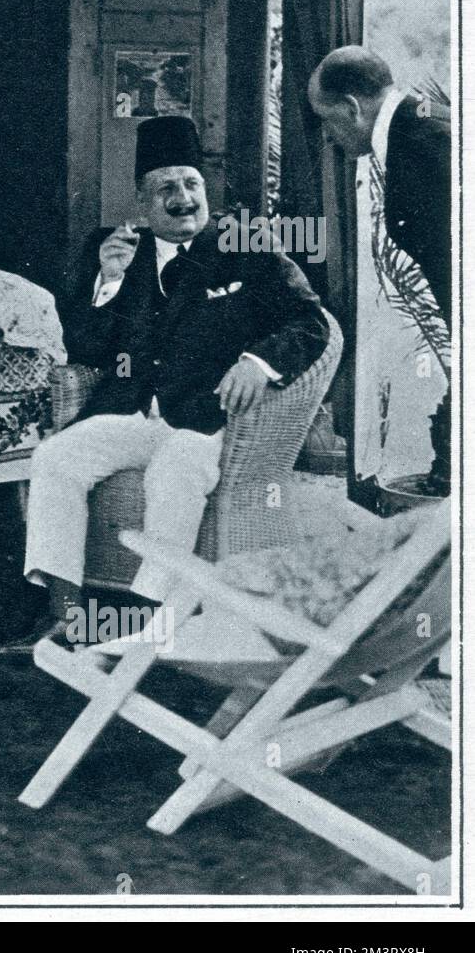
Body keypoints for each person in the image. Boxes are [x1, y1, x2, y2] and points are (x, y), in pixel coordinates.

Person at [21, 115, 330, 637]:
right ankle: (67, 618)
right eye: (166, 188)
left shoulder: (245, 244)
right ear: (142, 204)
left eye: (191, 184)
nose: (183, 197)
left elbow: (311, 321)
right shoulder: (116, 248)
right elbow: (85, 347)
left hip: (212, 418)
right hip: (133, 409)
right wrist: (108, 282)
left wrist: (256, 362)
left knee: (175, 471)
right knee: (55, 457)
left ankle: (146, 619)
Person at [308, 46, 451, 490]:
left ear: (351, 107)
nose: (329, 138)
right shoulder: (420, 128)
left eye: (327, 121)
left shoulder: (425, 143)